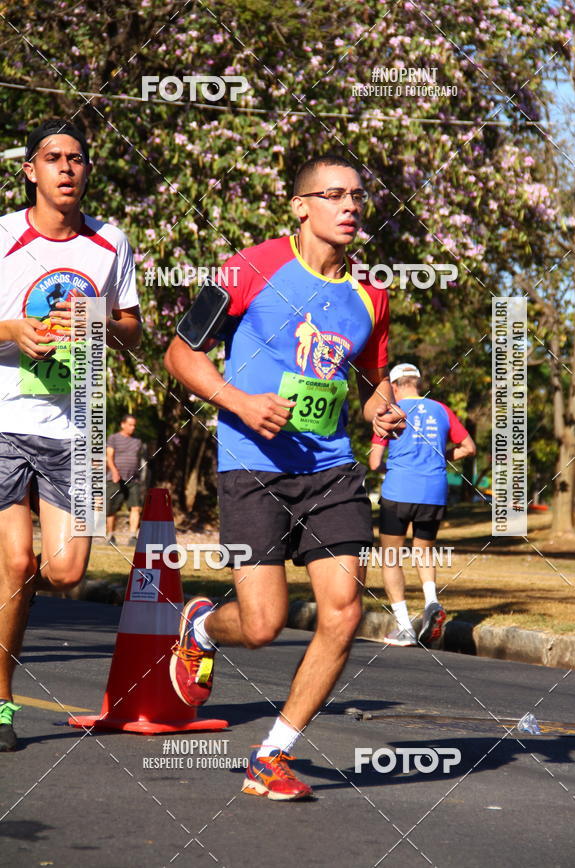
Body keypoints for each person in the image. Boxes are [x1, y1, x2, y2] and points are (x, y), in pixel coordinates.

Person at [165, 153, 404, 801]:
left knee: (345, 609)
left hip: (330, 470)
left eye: (358, 195)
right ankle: (204, 626)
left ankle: (272, 754)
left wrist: (383, 407)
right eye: (334, 194)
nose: (351, 205)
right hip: (252, 467)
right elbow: (179, 352)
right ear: (301, 207)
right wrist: (239, 402)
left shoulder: (370, 296)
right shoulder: (249, 269)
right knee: (264, 623)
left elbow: (371, 375)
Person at [0, 118, 142, 752]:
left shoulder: (110, 243)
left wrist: (100, 325)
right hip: (6, 420)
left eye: (77, 158)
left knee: (64, 572)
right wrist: (13, 332)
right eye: (52, 157)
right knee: (16, 563)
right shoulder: (3, 235)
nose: (66, 167)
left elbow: (133, 329)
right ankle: (1, 704)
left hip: (77, 426)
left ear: (87, 171)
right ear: (30, 170)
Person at [369, 363, 476, 647]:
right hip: (434, 491)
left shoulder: (389, 412)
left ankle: (404, 627)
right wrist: (440, 455)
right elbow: (469, 447)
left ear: (393, 386)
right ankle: (432, 602)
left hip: (399, 490)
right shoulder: (442, 409)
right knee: (424, 551)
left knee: (390, 556)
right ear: (418, 382)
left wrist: (395, 466)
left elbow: (374, 461)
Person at [106, 414, 144, 546]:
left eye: (134, 425)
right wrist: (115, 471)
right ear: (123, 424)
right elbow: (109, 457)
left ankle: (133, 536)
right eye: (130, 424)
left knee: (136, 507)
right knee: (112, 509)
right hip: (115, 479)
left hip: (133, 480)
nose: (132, 427)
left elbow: (138, 459)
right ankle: (110, 536)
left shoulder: (137, 441)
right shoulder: (113, 438)